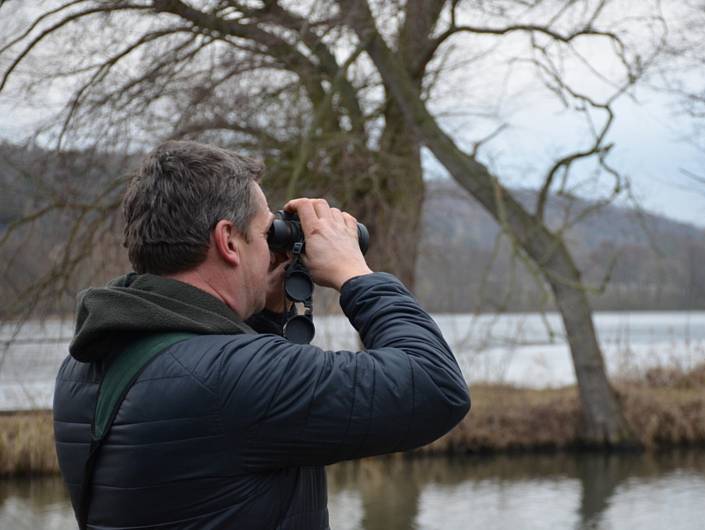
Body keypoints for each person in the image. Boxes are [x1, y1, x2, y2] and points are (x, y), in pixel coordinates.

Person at [53, 140, 470, 529]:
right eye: (266, 232)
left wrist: (267, 314)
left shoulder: (89, 362)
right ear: (228, 241)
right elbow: (435, 386)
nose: (272, 246)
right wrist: (354, 273)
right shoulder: (232, 378)